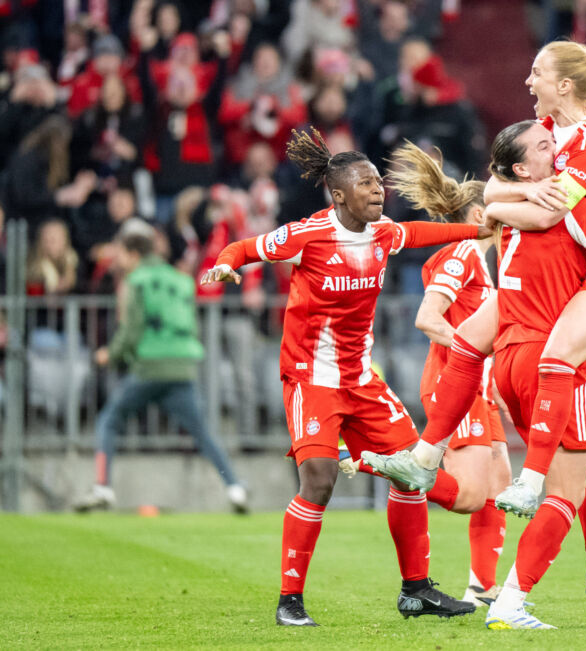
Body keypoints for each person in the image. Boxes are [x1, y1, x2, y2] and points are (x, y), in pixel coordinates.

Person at [364, 120, 586, 625]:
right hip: (552, 363)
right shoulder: (568, 209)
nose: (559, 148)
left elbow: (496, 209)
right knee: (560, 493)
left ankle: (583, 567)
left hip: (507, 360)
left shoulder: (511, 216)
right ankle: (511, 599)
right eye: (546, 146)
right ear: (524, 167)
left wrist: (502, 201)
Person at [201, 127, 489, 627]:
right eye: (367, 184)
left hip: (361, 379)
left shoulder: (383, 234)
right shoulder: (307, 235)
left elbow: (423, 234)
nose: (379, 189)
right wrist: (225, 267)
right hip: (311, 380)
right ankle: (289, 601)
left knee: (412, 474)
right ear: (338, 195)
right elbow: (244, 248)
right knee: (319, 479)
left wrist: (477, 231)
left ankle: (416, 589)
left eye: (379, 181)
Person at [384, 141, 511, 607]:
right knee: (471, 496)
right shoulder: (459, 255)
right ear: (479, 214)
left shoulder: (479, 260)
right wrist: (472, 356)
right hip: (453, 380)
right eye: (501, 209)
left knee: (499, 481)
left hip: (477, 383)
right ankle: (392, 465)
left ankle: (481, 587)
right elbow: (427, 317)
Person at [73, 220, 247, 514]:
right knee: (202, 431)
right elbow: (190, 324)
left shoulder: (135, 281)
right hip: (182, 366)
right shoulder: (180, 279)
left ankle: (102, 487)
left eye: (121, 253)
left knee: (108, 420)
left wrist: (110, 355)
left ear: (132, 253)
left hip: (149, 366)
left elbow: (131, 330)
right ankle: (235, 489)